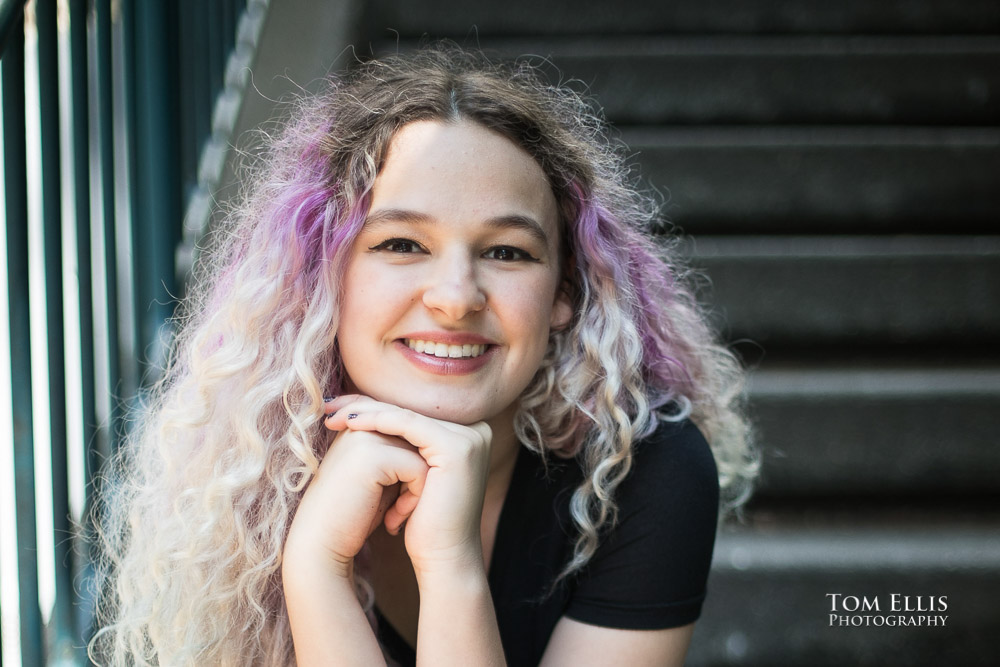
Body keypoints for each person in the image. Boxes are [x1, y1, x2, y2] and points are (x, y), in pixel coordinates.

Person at [89, 45, 757, 666]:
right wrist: (315, 564)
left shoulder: (644, 467)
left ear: (565, 293)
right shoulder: (243, 481)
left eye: (507, 252)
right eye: (402, 244)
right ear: (323, 276)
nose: (456, 298)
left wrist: (449, 562)